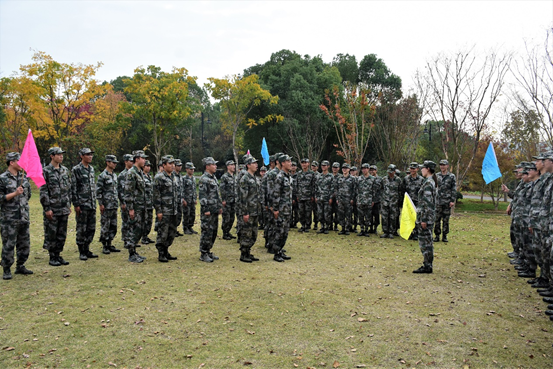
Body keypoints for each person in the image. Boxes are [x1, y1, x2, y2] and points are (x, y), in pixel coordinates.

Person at [0, 152, 33, 279]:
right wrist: (14, 194)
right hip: (9, 218)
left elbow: (28, 195)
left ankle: (21, 266)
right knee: (9, 244)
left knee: (24, 244)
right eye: (19, 161)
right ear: (11, 162)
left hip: (23, 216)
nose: (22, 163)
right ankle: (7, 269)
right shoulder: (2, 178)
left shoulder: (24, 178)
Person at [40, 147, 71, 266]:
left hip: (63, 208)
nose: (61, 156)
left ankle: (58, 254)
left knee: (61, 233)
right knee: (51, 233)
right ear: (52, 156)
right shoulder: (46, 171)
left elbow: (68, 189)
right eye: (58, 154)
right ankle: (52, 256)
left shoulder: (65, 170)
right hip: (52, 208)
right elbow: (43, 191)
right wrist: (47, 208)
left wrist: (68, 205)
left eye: (62, 154)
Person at [71, 148, 98, 260]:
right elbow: (74, 188)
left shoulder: (91, 169)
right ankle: (81, 251)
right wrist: (76, 204)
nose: (90, 156)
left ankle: (87, 249)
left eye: (91, 154)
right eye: (87, 154)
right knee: (82, 228)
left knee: (91, 228)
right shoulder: (76, 169)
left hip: (91, 204)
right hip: (82, 204)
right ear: (81, 156)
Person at [123, 150, 149, 263]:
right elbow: (128, 192)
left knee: (140, 229)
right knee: (134, 229)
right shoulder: (131, 173)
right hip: (135, 207)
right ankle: (131, 253)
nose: (144, 160)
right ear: (137, 159)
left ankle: (134, 252)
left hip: (141, 206)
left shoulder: (140, 172)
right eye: (143, 158)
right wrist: (131, 208)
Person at [153, 155, 179, 262]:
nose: (172, 166)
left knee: (171, 233)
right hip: (164, 211)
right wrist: (159, 211)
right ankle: (161, 253)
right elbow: (156, 196)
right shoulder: (159, 178)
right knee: (163, 233)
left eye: (173, 164)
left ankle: (166, 250)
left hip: (173, 210)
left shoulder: (174, 177)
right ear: (163, 165)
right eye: (170, 164)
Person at [413, 161, 438, 274]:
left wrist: (423, 219)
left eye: (422, 168)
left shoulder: (428, 183)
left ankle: (427, 265)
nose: (421, 170)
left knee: (426, 242)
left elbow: (427, 203)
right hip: (427, 217)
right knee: (427, 241)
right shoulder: (430, 181)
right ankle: (427, 264)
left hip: (426, 218)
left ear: (427, 169)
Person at [198, 157, 223, 262]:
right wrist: (206, 209)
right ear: (207, 166)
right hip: (208, 211)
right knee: (207, 231)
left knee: (213, 231)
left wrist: (219, 206)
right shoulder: (204, 179)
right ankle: (203, 253)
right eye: (213, 164)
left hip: (214, 210)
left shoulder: (213, 178)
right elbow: (203, 196)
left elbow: (217, 194)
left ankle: (208, 251)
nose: (215, 166)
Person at [96, 155, 122, 255]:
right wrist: (101, 204)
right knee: (105, 226)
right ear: (107, 162)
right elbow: (98, 191)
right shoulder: (102, 176)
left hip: (114, 205)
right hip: (106, 205)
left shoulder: (114, 175)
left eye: (115, 163)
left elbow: (117, 190)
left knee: (113, 226)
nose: (115, 164)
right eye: (113, 162)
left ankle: (110, 243)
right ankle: (105, 245)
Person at [237, 156, 260, 263]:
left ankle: (248, 252)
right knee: (246, 233)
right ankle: (244, 254)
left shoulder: (255, 178)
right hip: (248, 211)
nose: (256, 165)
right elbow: (242, 197)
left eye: (256, 163)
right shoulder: (245, 178)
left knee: (254, 233)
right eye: (254, 163)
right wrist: (245, 212)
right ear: (248, 165)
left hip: (255, 210)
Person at [271, 154, 293, 262]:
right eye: (288, 161)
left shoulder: (288, 176)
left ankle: (280, 250)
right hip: (281, 209)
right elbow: (276, 194)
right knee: (279, 231)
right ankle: (276, 253)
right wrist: (275, 209)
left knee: (285, 232)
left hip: (287, 209)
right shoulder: (279, 177)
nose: (290, 163)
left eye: (290, 161)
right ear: (283, 163)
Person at [434, 159, 456, 242]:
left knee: (446, 220)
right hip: (438, 201)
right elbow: (434, 187)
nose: (442, 166)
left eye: (444, 165)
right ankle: (437, 235)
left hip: (447, 201)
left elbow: (453, 189)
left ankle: (444, 235)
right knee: (437, 219)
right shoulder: (436, 175)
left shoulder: (451, 176)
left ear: (447, 166)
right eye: (441, 165)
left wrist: (452, 200)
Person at [402, 162, 424, 240]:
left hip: (417, 202)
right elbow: (403, 190)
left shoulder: (421, 179)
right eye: (411, 168)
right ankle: (410, 233)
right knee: (409, 218)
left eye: (414, 168)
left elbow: (423, 192)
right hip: (408, 202)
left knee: (417, 218)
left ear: (417, 169)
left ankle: (416, 233)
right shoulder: (406, 179)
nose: (412, 170)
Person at [380, 164, 401, 239]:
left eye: (391, 172)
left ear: (395, 171)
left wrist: (398, 201)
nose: (390, 173)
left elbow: (400, 190)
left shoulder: (398, 180)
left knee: (393, 217)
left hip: (394, 202)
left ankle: (391, 232)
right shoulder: (384, 179)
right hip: (385, 201)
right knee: (384, 217)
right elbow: (381, 189)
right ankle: (385, 232)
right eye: (389, 172)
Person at [296, 158, 316, 232]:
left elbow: (313, 185)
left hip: (308, 196)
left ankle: (307, 225)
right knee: (301, 212)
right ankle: (302, 225)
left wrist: (312, 196)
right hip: (301, 196)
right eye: (302, 163)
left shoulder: (312, 173)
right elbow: (296, 185)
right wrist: (297, 195)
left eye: (305, 163)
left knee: (308, 212)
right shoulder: (299, 174)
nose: (304, 164)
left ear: (308, 164)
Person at [118, 154, 133, 248]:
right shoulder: (122, 175)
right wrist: (122, 202)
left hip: (132, 202)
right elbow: (120, 190)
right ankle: (125, 240)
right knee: (126, 222)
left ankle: (131, 240)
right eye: (130, 161)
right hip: (125, 202)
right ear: (125, 162)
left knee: (132, 222)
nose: (132, 162)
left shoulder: (133, 173)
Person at [336, 163, 355, 235]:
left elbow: (354, 189)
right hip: (341, 199)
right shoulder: (339, 178)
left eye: (346, 168)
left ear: (349, 169)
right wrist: (337, 198)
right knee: (341, 214)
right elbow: (337, 189)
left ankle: (347, 229)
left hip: (348, 199)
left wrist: (352, 198)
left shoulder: (352, 179)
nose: (344, 169)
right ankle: (342, 228)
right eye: (343, 168)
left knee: (348, 214)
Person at [220, 160, 237, 240]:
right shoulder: (224, 177)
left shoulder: (234, 177)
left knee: (232, 217)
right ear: (228, 166)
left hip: (233, 201)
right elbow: (222, 189)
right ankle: (224, 233)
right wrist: (223, 200)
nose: (233, 166)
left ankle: (228, 231)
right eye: (232, 165)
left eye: (234, 165)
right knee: (226, 217)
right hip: (227, 201)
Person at [316, 160, 334, 234]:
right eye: (322, 166)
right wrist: (316, 196)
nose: (323, 167)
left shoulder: (331, 176)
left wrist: (330, 198)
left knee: (327, 214)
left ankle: (327, 227)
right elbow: (316, 187)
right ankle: (322, 227)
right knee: (320, 214)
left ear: (328, 166)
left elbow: (332, 188)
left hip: (327, 198)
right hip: (320, 198)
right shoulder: (319, 176)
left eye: (325, 165)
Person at [357, 163, 374, 237]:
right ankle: (362, 230)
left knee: (368, 216)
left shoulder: (373, 179)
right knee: (360, 216)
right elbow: (356, 190)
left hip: (369, 200)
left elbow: (374, 191)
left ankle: (366, 230)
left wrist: (373, 200)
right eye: (363, 168)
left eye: (366, 168)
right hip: (360, 200)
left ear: (368, 169)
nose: (364, 170)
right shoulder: (359, 178)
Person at [142, 160, 155, 245]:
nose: (149, 167)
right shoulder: (141, 176)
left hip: (150, 202)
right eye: (147, 166)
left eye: (149, 166)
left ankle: (146, 235)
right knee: (144, 220)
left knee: (149, 221)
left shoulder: (149, 177)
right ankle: (143, 237)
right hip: (144, 203)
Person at [182, 162, 198, 234]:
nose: (192, 170)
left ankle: (190, 227)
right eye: (190, 169)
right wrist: (183, 199)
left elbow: (194, 189)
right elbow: (181, 189)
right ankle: (185, 228)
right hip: (186, 200)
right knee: (186, 214)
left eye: (193, 169)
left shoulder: (194, 178)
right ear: (187, 169)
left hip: (192, 200)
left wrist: (195, 198)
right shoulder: (184, 178)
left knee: (192, 214)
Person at [369, 165, 382, 234]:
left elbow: (382, 189)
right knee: (369, 215)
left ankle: (375, 228)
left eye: (373, 170)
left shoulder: (380, 179)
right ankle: (370, 228)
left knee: (376, 215)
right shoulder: (368, 178)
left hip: (377, 200)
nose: (372, 171)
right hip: (369, 200)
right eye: (370, 170)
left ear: (376, 171)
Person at [173, 160, 185, 237]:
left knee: (179, 215)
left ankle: (175, 229)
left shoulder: (180, 176)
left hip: (180, 199)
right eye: (178, 165)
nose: (180, 167)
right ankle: (173, 230)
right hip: (174, 200)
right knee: (174, 216)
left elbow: (181, 188)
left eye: (180, 165)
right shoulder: (172, 175)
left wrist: (183, 197)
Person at [311, 161, 320, 230]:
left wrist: (316, 196)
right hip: (308, 195)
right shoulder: (309, 174)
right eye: (312, 166)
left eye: (315, 166)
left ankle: (316, 224)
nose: (313, 167)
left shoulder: (319, 175)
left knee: (316, 211)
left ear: (317, 167)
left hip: (316, 195)